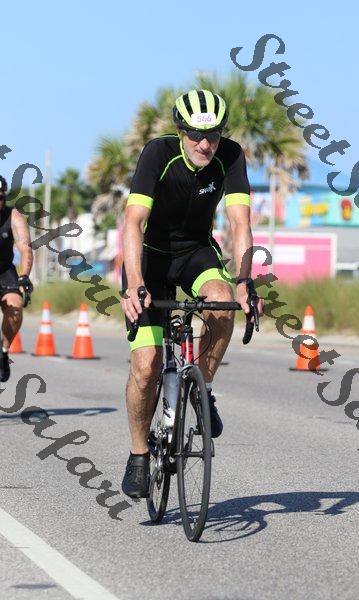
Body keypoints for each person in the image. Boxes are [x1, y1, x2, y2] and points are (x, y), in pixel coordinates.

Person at [120, 90, 264, 498]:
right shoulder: (158, 153)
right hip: (150, 258)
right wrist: (134, 283)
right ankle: (139, 453)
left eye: (213, 135)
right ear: (180, 131)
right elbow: (133, 222)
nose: (205, 144)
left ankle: (204, 388)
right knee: (146, 366)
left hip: (195, 252)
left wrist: (244, 282)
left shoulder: (230, 156)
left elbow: (240, 223)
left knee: (222, 301)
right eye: (196, 135)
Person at [0, 176, 33, 382]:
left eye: (0, 198)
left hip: (4, 271)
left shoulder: (13, 216)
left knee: (15, 308)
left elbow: (25, 249)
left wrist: (24, 276)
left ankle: (3, 352)